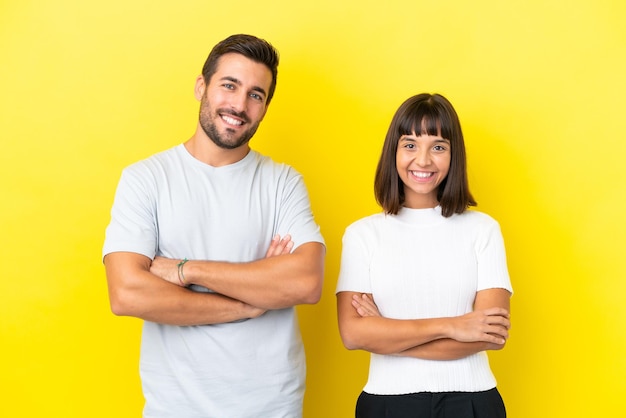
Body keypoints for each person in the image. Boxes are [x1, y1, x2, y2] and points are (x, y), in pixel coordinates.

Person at [103, 34, 326, 418]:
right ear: (201, 86)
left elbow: (305, 282)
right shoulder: (146, 178)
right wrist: (249, 303)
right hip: (176, 407)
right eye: (229, 85)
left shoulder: (283, 182)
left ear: (265, 107)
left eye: (256, 95)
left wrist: (184, 270)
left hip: (272, 406)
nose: (239, 105)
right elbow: (127, 293)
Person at [336, 93, 513, 418]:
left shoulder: (483, 229)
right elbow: (353, 334)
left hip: (472, 402)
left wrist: (387, 331)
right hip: (387, 403)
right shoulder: (362, 235)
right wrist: (454, 325)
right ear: (394, 151)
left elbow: (492, 334)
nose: (424, 160)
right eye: (410, 145)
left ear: (453, 155)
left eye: (438, 147)